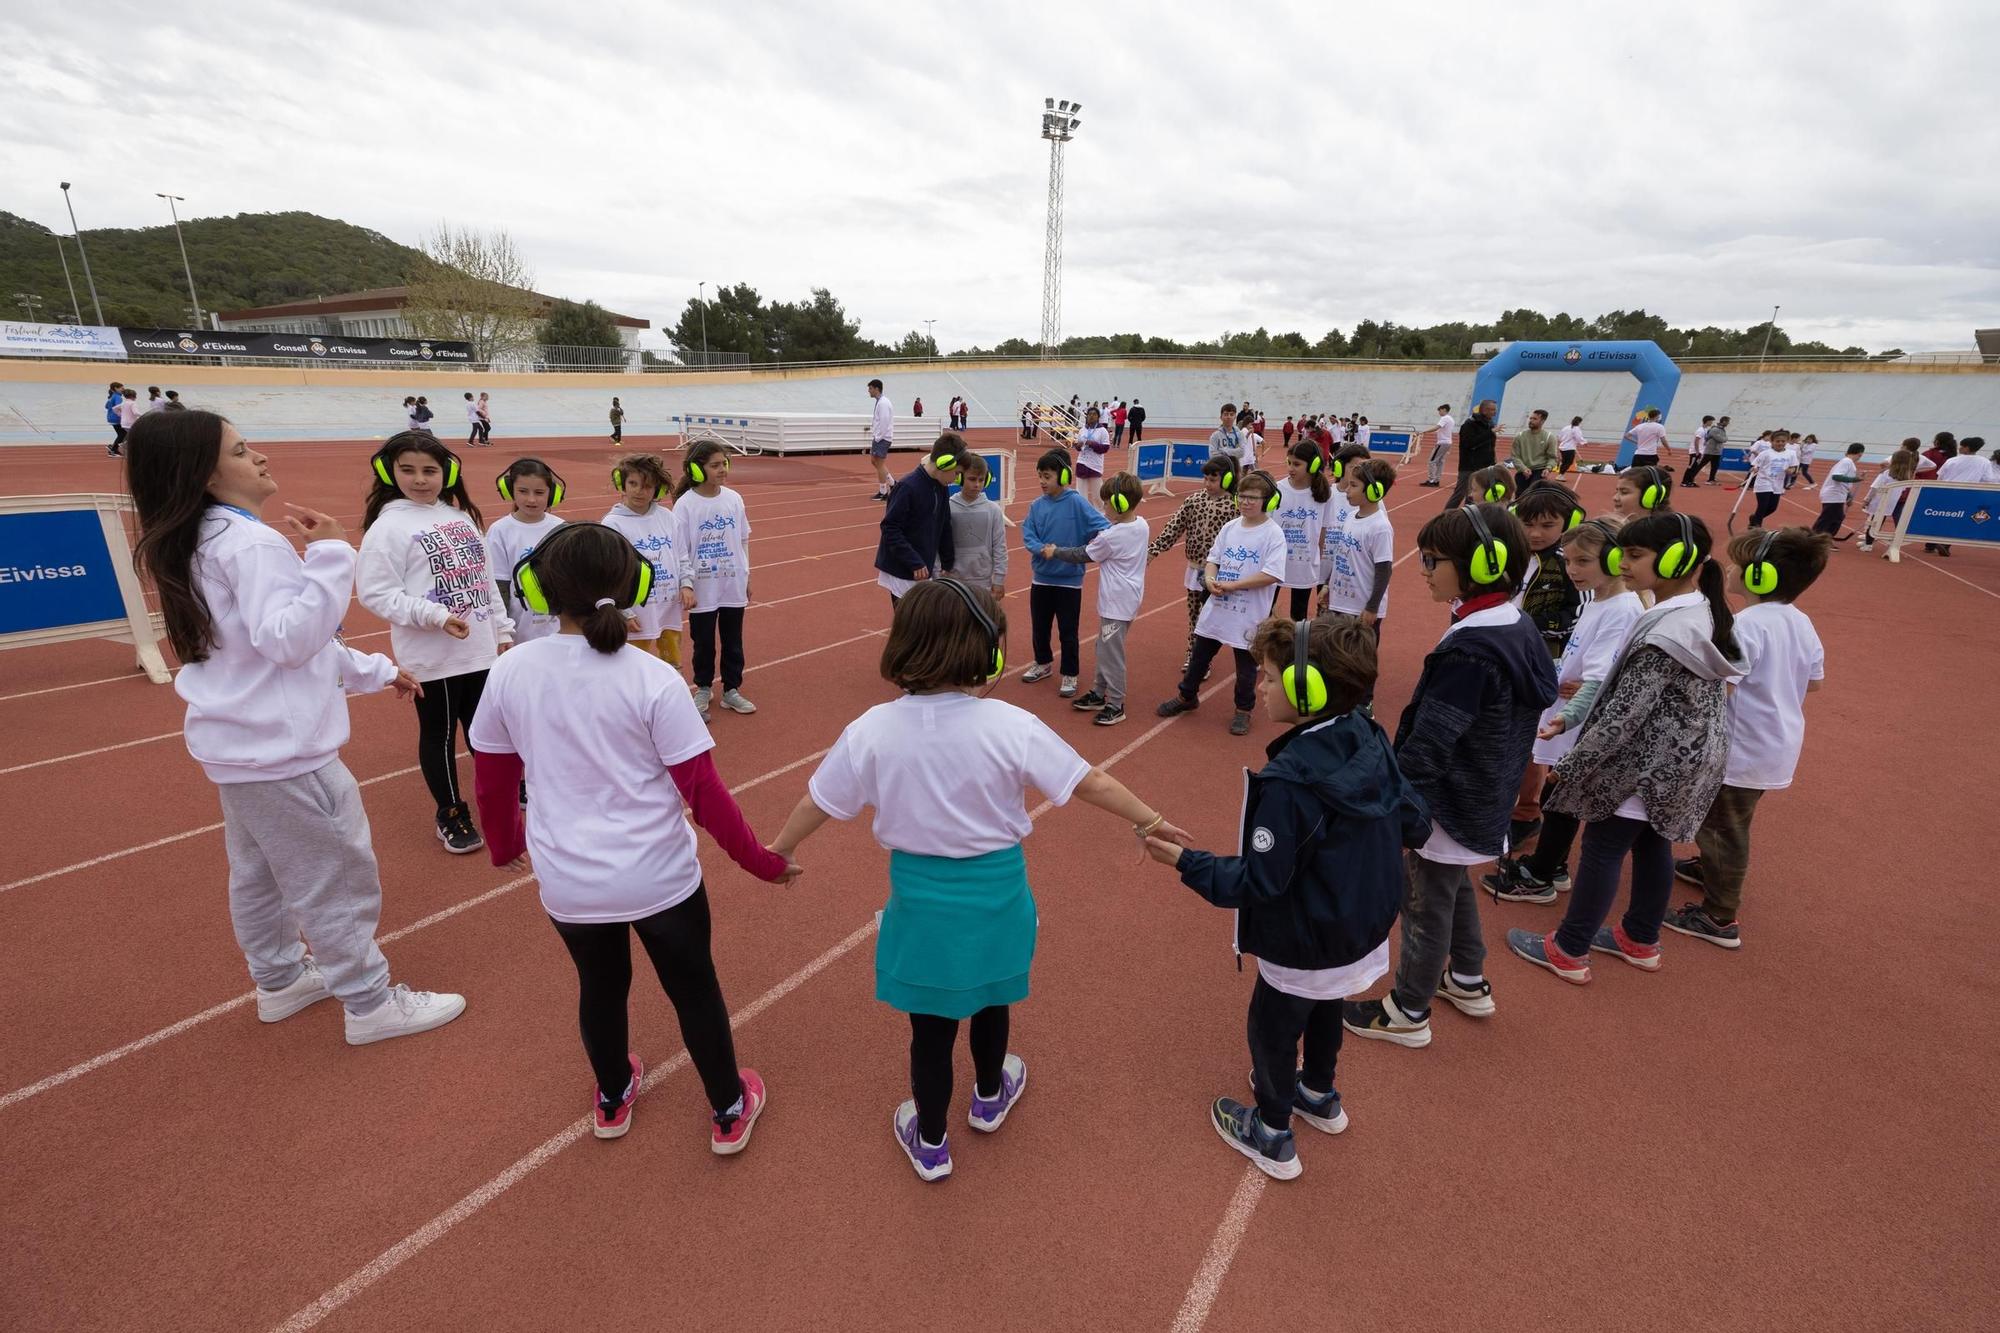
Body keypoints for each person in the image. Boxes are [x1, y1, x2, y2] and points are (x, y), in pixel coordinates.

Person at [768, 580, 1184, 1180]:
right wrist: (1150, 819)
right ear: (987, 650)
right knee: (992, 999)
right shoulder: (1011, 724)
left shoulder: (872, 729)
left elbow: (819, 802)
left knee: (931, 1030)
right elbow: (1087, 780)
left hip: (920, 902)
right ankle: (990, 1095)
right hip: (999, 893)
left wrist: (781, 849)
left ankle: (931, 1141)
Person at [125, 409, 466, 1046]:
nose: (258, 457)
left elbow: (266, 644)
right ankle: (369, 1004)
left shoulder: (195, 537)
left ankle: (280, 980)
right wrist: (334, 553)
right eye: (240, 449)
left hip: (239, 748)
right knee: (334, 874)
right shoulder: (250, 543)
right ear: (202, 472)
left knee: (258, 874)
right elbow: (290, 639)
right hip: (285, 754)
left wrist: (371, 668)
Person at [469, 522, 794, 1148]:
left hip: (569, 882)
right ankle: (728, 1107)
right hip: (661, 878)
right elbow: (705, 794)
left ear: (536, 590)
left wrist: (506, 845)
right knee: (693, 988)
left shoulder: (511, 671)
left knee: (600, 987)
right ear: (639, 584)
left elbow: (492, 778)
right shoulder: (652, 678)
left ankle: (613, 1095)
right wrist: (763, 863)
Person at [1144, 617, 1430, 1180]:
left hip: (1303, 936)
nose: (1263, 686)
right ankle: (1319, 1093)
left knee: (1272, 1028)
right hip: (1359, 926)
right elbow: (1415, 822)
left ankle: (1272, 1131)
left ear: (1307, 690)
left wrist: (1183, 862)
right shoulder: (1369, 734)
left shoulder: (1289, 781)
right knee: (1327, 1004)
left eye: (1271, 678)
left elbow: (1260, 882)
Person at [1343, 504, 1556, 1048]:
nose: (1424, 569)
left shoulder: (1471, 650)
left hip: (1450, 797)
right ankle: (1466, 978)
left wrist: (1394, 802)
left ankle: (1408, 1009)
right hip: (1486, 787)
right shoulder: (1514, 622)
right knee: (1452, 879)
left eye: (1434, 561)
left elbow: (1432, 741)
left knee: (1424, 899)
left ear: (1482, 564)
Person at [1508, 512, 1742, 983]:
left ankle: (1569, 949)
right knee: (1652, 843)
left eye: (1635, 555)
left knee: (1602, 846)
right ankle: (1639, 937)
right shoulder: (1697, 611)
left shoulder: (1665, 633)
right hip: (1685, 760)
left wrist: (1573, 765)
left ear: (1677, 559)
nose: (1624, 562)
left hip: (1650, 763)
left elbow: (1624, 714)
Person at [1665, 527, 1828, 949]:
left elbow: (1724, 685)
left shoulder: (1747, 625)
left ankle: (1719, 917)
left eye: (1739, 563)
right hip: (1775, 743)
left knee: (1723, 827)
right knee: (1731, 820)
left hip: (1741, 747)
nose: (1731, 568)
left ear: (1761, 577)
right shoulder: (1800, 621)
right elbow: (1813, 683)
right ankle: (1709, 869)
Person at [357, 433, 512, 854]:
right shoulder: (387, 527)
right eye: (408, 469)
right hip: (433, 658)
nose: (420, 479)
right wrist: (435, 616)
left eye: (430, 470)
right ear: (389, 471)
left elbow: (484, 578)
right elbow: (376, 593)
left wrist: (502, 630)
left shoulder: (460, 518)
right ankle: (451, 812)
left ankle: (503, 794)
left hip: (480, 651)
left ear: (447, 473)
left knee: (490, 732)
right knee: (440, 735)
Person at [1481, 518, 1645, 904]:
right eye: (1569, 561)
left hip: (1576, 719)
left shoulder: (1620, 609)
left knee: (1562, 795)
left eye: (1583, 561)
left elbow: (1599, 675)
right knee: (1560, 794)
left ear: (1613, 558)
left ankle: (1542, 873)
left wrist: (1565, 715)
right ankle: (1550, 865)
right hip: (1567, 710)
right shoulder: (1601, 600)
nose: (1573, 570)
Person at [1156, 470, 1288, 737]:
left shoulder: (1273, 534)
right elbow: (1212, 559)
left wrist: (1233, 586)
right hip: (1218, 606)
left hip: (1248, 613)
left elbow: (1272, 574)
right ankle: (1187, 696)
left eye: (1253, 497)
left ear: (1268, 500)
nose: (1247, 502)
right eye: (1243, 496)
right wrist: (1209, 578)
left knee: (1246, 666)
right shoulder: (1230, 527)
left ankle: (1243, 710)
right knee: (1200, 655)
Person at [1508, 482, 1588, 843]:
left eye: (1547, 525)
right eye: (1528, 524)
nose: (1536, 533)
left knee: (1534, 743)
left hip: (1547, 665)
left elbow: (1579, 616)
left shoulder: (1570, 565)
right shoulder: (1508, 554)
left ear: (1567, 523)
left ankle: (1527, 811)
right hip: (1507, 657)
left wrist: (1529, 625)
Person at [1039, 472, 1148, 726]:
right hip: (1126, 600)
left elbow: (1082, 554)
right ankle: (1099, 693)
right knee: (1103, 647)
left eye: (1108, 503)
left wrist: (1055, 551)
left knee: (1111, 654)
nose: (1104, 507)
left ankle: (1116, 704)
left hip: (1116, 604)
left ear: (1121, 504)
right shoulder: (1141, 524)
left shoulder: (1112, 537)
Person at [674, 439, 756, 719]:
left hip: (732, 583)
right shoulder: (685, 505)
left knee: (733, 640)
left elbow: (743, 539)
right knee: (704, 642)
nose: (722, 469)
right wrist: (686, 584)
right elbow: (680, 549)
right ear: (697, 470)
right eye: (715, 465)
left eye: (725, 464)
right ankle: (704, 688)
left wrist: (747, 574)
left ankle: (732, 690)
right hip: (702, 588)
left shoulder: (734, 499)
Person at [1020, 448, 1111, 697]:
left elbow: (1104, 528)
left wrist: (1083, 550)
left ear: (1063, 477)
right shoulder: (1036, 506)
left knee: (1068, 631)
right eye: (1039, 476)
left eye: (1047, 476)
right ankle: (1043, 662)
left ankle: (1070, 673)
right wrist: (1042, 549)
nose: (1042, 482)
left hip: (1070, 583)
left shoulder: (1077, 502)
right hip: (1041, 579)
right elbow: (1028, 535)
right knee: (1040, 627)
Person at [602, 453, 696, 674]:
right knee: (634, 666)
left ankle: (671, 703)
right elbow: (609, 574)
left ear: (658, 489)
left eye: (646, 486)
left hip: (668, 608)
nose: (638, 491)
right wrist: (623, 610)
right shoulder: (613, 523)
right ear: (621, 484)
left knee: (671, 663)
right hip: (636, 613)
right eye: (632, 484)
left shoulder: (668, 518)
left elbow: (682, 555)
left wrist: (687, 584)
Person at [1149, 453, 1241, 670]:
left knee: (1228, 617)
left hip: (1224, 573)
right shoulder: (1194, 501)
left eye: (1213, 479)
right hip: (1196, 570)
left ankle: (1246, 652)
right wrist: (1154, 550)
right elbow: (1174, 527)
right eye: (1206, 479)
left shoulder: (1236, 507)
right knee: (1196, 616)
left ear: (1227, 479)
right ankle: (1196, 657)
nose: (1208, 484)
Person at [487, 458, 569, 646]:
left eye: (539, 492)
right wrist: (503, 631)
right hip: (519, 632)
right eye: (523, 491)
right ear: (510, 491)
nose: (531, 499)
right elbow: (499, 585)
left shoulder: (561, 527)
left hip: (558, 631)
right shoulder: (500, 530)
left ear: (552, 493)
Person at [875, 435, 961, 604]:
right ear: (943, 464)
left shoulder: (941, 486)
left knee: (924, 625)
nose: (956, 479)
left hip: (923, 568)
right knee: (911, 625)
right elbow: (889, 528)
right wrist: (913, 561)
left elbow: (944, 525)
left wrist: (947, 562)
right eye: (956, 473)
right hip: (904, 570)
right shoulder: (908, 487)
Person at [1318, 459, 1396, 643]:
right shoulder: (1351, 517)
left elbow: (1384, 569)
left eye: (1353, 485)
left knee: (1357, 660)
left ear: (1373, 490)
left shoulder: (1380, 527)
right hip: (1339, 602)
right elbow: (1340, 556)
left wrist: (1372, 607)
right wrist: (1328, 585)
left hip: (1361, 608)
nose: (1347, 490)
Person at [1275, 440, 1333, 619]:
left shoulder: (1324, 494)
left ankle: (1297, 646)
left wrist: (1321, 561)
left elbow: (1323, 533)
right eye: (1289, 463)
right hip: (1275, 561)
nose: (1291, 468)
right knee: (1265, 608)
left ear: (1314, 464)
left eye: (1297, 464)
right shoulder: (1277, 489)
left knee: (1299, 613)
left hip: (1304, 564)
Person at [944, 454, 1008, 599]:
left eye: (981, 480)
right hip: (953, 581)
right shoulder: (948, 507)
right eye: (972, 479)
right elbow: (939, 544)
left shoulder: (993, 510)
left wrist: (999, 580)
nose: (977, 484)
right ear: (960, 478)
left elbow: (1000, 546)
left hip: (982, 581)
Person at [1857, 448, 1917, 552]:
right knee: (1879, 521)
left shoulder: (1887, 473)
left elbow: (1875, 487)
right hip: (1891, 502)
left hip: (1879, 500)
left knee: (1873, 522)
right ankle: (1868, 540)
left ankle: (1868, 544)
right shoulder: (1906, 475)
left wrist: (1867, 499)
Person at [1444, 400, 1497, 509]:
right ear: (1484, 410)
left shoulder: (1490, 424)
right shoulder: (1469, 424)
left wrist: (1493, 461)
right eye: (1492, 409)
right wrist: (1489, 433)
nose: (1494, 412)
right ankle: (1445, 518)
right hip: (1469, 466)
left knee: (1475, 495)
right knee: (1460, 493)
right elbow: (1469, 444)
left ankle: (1469, 517)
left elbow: (1490, 445)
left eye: (1495, 409)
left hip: (1485, 466)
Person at [1811, 443, 1866, 537]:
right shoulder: (1847, 462)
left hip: (1838, 495)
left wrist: (1848, 496)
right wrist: (1855, 479)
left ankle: (1825, 538)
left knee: (1837, 517)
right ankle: (1815, 537)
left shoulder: (1848, 462)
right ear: (1860, 453)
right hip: (1833, 495)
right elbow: (1836, 476)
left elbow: (1845, 483)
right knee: (1828, 518)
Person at [1748, 432, 1799, 529]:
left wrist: (1790, 471)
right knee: (1762, 506)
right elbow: (1756, 465)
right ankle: (1756, 527)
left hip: (1778, 484)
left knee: (1772, 508)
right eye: (1777, 441)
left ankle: (1755, 519)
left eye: (1783, 441)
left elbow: (1793, 468)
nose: (1780, 443)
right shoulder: (1765, 453)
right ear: (1772, 441)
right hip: (1764, 482)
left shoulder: (1791, 454)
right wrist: (1754, 468)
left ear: (1787, 441)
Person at [1073, 406, 1113, 512]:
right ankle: (1082, 513)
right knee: (1081, 493)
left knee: (1097, 494)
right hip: (1082, 463)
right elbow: (1078, 447)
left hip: (1095, 465)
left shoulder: (1102, 431)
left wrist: (1092, 444)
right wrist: (1077, 445)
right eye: (1089, 414)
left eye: (1094, 414)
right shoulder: (1082, 430)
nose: (1091, 416)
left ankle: (1102, 513)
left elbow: (1105, 448)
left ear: (1098, 417)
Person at [1510, 409, 1559, 483]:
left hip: (1540, 471)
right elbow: (1515, 456)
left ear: (1542, 421)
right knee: (1520, 494)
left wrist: (1548, 469)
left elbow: (1552, 457)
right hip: (1523, 470)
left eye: (1535, 419)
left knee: (1535, 493)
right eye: (1530, 418)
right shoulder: (1519, 436)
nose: (1531, 420)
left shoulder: (1549, 437)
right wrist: (1523, 468)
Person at [866, 378, 895, 501]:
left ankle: (883, 491)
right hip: (879, 437)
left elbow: (884, 421)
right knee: (874, 461)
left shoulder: (883, 403)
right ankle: (893, 484)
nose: (869, 391)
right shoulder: (881, 401)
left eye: (870, 388)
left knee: (879, 463)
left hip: (882, 438)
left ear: (877, 389)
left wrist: (878, 437)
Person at [1682, 415, 1726, 488]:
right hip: (1695, 452)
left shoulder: (1705, 430)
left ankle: (1690, 481)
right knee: (1691, 467)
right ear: (1708, 421)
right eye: (1711, 421)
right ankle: (1684, 482)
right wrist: (1697, 451)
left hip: (1700, 451)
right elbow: (1696, 440)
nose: (1712, 423)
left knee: (1695, 467)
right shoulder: (1701, 430)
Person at [1623, 407, 1668, 472]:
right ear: (1657, 417)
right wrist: (1668, 449)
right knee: (1650, 474)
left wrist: (1636, 441)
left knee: (1635, 475)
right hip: (1650, 455)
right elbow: (1663, 440)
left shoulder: (1640, 426)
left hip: (1638, 455)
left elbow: (1626, 436)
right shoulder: (1659, 427)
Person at [1423, 403, 1455, 487]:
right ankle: (1436, 480)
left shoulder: (1444, 418)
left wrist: (1425, 431)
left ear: (1444, 409)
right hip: (1447, 442)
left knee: (1432, 461)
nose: (1439, 412)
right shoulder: (1451, 419)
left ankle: (1431, 480)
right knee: (1440, 462)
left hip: (1442, 442)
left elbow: (1437, 427)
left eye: (1440, 410)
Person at [1210, 403, 1245, 467]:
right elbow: (1212, 455)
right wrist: (1234, 452)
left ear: (1235, 417)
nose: (1229, 417)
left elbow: (1242, 452)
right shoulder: (1215, 435)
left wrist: (1224, 451)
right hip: (1220, 468)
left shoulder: (1240, 434)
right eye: (1226, 414)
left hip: (1236, 468)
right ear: (1221, 417)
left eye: (1231, 414)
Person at [114, 387, 140, 456]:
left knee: (132, 436)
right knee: (137, 436)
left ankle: (126, 444)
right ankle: (125, 444)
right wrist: (144, 416)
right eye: (135, 396)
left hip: (124, 423)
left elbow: (114, 408)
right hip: (131, 423)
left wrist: (120, 414)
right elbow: (136, 413)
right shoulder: (133, 403)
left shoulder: (123, 403)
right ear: (133, 396)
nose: (136, 397)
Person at [105, 381, 128, 456]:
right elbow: (119, 407)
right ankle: (114, 449)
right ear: (116, 388)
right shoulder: (118, 397)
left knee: (121, 434)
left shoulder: (112, 396)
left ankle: (114, 447)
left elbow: (106, 406)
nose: (123, 389)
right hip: (116, 418)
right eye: (121, 388)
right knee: (123, 434)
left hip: (111, 417)